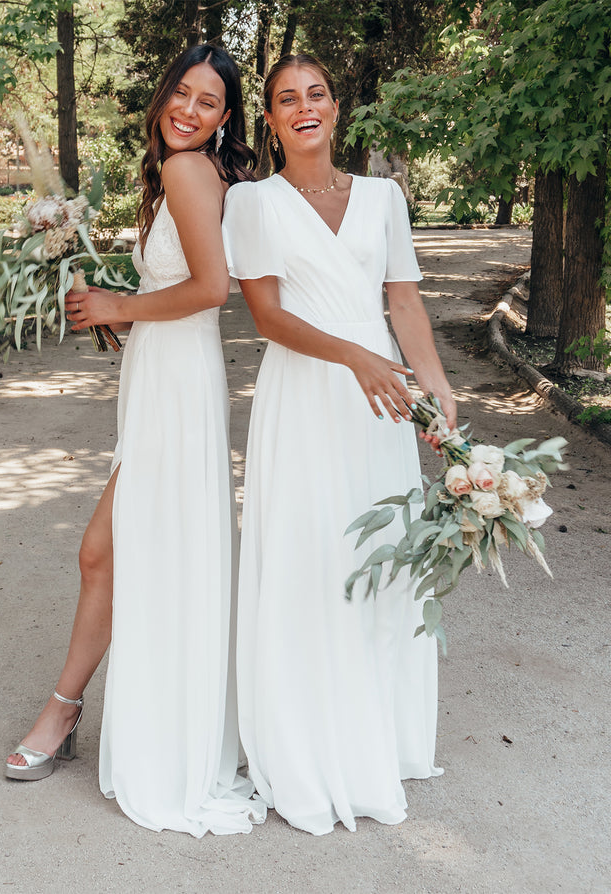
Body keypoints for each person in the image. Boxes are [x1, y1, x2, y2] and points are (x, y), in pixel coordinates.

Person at [5, 44, 265, 838]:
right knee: (121, 551)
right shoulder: (177, 172)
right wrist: (124, 315)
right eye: (181, 93)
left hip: (179, 387)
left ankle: (63, 710)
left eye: (209, 103)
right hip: (164, 374)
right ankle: (76, 709)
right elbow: (176, 288)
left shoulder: (190, 172)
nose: (189, 110)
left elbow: (213, 291)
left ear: (226, 120)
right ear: (162, 98)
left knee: (102, 550)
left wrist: (122, 306)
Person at [222, 54, 458, 835]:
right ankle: (303, 747)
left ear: (335, 106)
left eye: (315, 94)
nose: (304, 107)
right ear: (270, 119)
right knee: (308, 558)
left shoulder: (384, 197)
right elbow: (269, 318)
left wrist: (437, 387)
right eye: (286, 99)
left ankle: (373, 741)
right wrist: (357, 356)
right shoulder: (254, 202)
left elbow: (403, 303)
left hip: (380, 406)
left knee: (380, 558)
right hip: (305, 394)